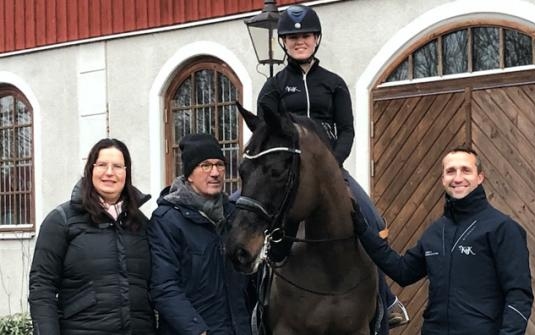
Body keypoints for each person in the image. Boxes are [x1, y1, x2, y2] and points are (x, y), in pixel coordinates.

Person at [256, 4, 408, 331]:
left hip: (330, 170)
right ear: (283, 42)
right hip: (286, 174)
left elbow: (348, 130)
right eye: (292, 37)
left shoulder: (334, 84)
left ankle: (386, 296)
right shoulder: (274, 87)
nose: (300, 42)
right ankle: (255, 300)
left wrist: (331, 165)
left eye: (306, 35)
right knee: (250, 216)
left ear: (316, 39)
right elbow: (265, 134)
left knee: (371, 217)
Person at [354, 147, 534, 334]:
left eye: (466, 170)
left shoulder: (502, 228)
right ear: (442, 179)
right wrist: (363, 231)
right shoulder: (436, 232)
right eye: (450, 171)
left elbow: (519, 295)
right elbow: (403, 271)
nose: (457, 178)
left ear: (480, 177)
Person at [28, 138, 156, 334]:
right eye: (102, 165)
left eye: (118, 166)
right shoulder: (62, 220)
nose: (110, 173)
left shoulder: (141, 224)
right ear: (90, 170)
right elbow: (42, 287)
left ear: (126, 172)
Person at [148, 133, 251, 335]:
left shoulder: (235, 215)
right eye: (205, 165)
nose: (215, 172)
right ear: (188, 174)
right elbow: (164, 286)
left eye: (220, 165)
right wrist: (198, 331)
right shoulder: (167, 219)